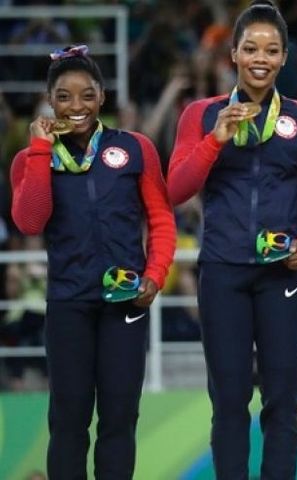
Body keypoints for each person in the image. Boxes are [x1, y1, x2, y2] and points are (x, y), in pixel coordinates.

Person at [167, 1, 297, 478]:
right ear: (234, 54)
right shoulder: (201, 115)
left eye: (271, 49)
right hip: (222, 271)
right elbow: (175, 189)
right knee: (229, 398)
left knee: (283, 396)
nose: (261, 58)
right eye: (251, 48)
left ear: (284, 57)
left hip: (281, 272)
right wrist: (215, 139)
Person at [10, 44, 176, 479]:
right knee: (68, 421)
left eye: (87, 95)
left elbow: (161, 219)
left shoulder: (135, 148)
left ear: (102, 96)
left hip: (126, 301)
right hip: (69, 302)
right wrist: (40, 150)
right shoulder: (31, 158)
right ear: (50, 101)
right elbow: (30, 221)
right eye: (64, 96)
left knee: (119, 419)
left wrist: (155, 275)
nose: (76, 106)